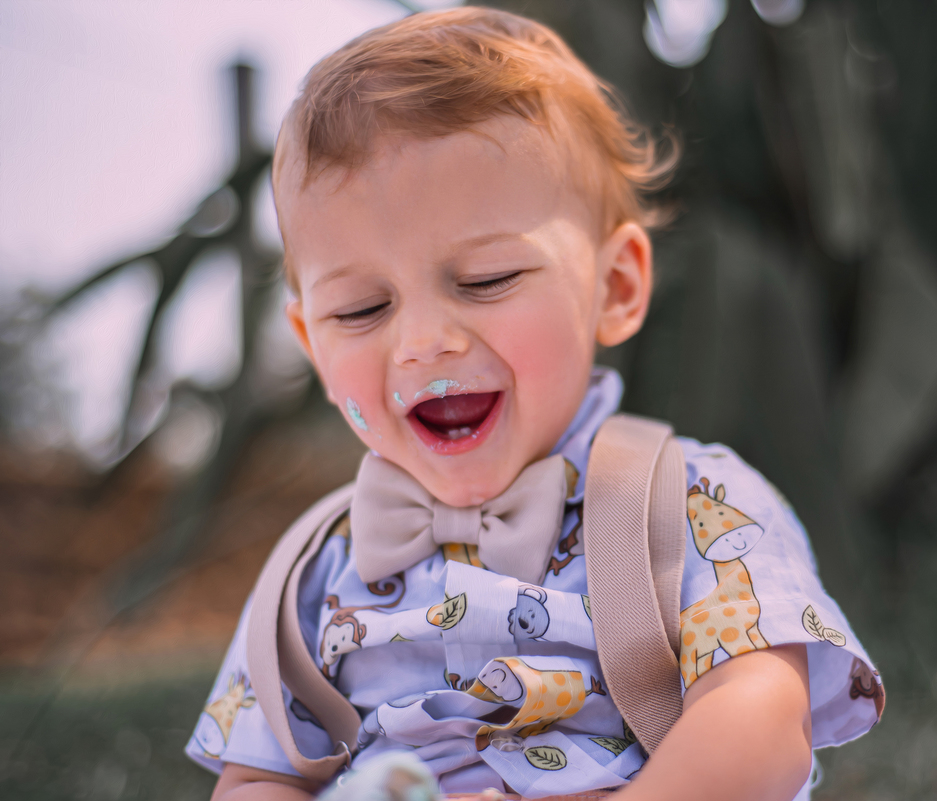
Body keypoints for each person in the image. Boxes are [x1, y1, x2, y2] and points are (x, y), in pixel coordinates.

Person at [187, 8, 883, 800]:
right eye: (361, 309)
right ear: (311, 343)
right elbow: (255, 777)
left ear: (615, 287)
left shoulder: (691, 502)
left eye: (486, 280)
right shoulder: (312, 573)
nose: (423, 342)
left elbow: (762, 719)